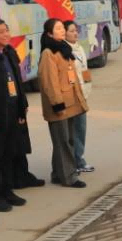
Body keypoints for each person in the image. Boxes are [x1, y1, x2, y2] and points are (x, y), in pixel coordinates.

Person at [0, 19, 29, 209]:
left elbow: (17, 81)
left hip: (13, 109)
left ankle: (7, 190)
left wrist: (22, 106)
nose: (6, 35)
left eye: (7, 30)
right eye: (1, 32)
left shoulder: (9, 53)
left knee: (9, 153)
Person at [39, 19, 86, 189]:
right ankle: (69, 176)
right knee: (63, 141)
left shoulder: (64, 49)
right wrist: (57, 104)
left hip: (71, 102)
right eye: (58, 28)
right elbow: (49, 82)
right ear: (49, 33)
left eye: (62, 28)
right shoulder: (48, 53)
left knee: (67, 140)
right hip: (59, 105)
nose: (62, 30)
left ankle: (58, 173)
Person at [63, 21, 93, 173]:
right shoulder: (64, 51)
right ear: (64, 33)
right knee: (72, 130)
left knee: (81, 128)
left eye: (76, 30)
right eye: (72, 31)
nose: (76, 33)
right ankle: (75, 162)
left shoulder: (79, 48)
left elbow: (84, 70)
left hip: (82, 94)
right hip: (72, 95)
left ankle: (79, 159)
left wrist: (87, 88)